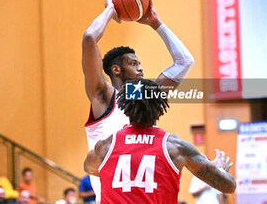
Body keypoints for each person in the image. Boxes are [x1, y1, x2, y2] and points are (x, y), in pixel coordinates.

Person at [82, 0, 194, 202]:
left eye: (140, 64)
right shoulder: (104, 96)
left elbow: (185, 62)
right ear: (116, 70)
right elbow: (89, 38)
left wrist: (155, 23)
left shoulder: (144, 96)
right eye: (134, 64)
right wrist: (110, 11)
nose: (141, 69)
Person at [84, 79, 236, 203]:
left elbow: (90, 169)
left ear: (126, 110)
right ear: (160, 111)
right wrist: (220, 169)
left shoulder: (105, 146)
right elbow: (228, 186)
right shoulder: (176, 148)